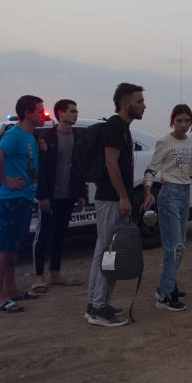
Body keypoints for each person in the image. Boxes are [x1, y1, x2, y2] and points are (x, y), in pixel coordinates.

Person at [85, 83, 146, 327]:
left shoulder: (122, 128)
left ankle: (96, 303)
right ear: (125, 103)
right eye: (139, 101)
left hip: (111, 198)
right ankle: (99, 308)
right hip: (111, 198)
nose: (144, 105)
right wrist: (123, 197)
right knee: (111, 252)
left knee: (103, 251)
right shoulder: (115, 127)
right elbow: (111, 164)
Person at [142, 104, 192, 312]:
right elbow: (151, 168)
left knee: (180, 246)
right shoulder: (164, 142)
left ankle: (170, 286)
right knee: (174, 247)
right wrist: (148, 190)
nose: (183, 125)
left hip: (184, 194)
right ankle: (164, 295)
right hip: (168, 194)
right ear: (172, 121)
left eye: (187, 121)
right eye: (179, 120)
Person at [0, 95, 45, 313]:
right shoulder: (14, 135)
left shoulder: (30, 136)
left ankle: (11, 289)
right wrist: (5, 181)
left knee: (13, 247)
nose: (43, 115)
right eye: (39, 111)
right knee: (4, 247)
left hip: (25, 197)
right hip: (12, 199)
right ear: (28, 113)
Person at [31, 99, 87, 293]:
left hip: (67, 195)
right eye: (72, 111)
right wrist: (43, 196)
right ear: (60, 114)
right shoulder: (47, 137)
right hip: (50, 196)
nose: (75, 114)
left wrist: (81, 194)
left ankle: (55, 272)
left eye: (76, 111)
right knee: (43, 234)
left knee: (60, 234)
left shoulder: (77, 137)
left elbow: (79, 168)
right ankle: (39, 276)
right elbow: (42, 170)